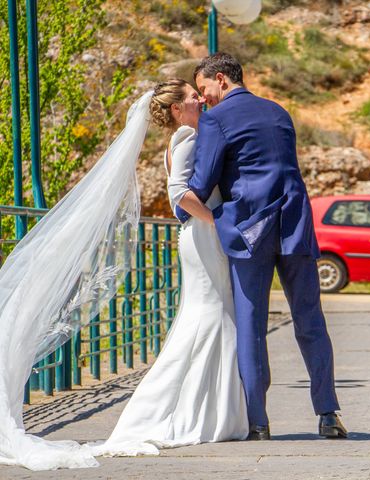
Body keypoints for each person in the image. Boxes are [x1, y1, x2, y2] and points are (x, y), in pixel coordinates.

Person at [175, 52, 347, 440]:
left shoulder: (216, 120)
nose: (203, 99)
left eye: (204, 90)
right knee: (311, 321)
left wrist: (181, 208)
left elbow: (201, 184)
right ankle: (328, 414)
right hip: (295, 225)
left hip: (249, 233)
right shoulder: (278, 111)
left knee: (251, 327)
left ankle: (259, 422)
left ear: (221, 79)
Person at [91, 79, 249, 457]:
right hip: (202, 235)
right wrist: (215, 221)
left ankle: (211, 413)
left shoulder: (186, 136)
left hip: (197, 236)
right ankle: (190, 414)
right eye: (194, 97)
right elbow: (179, 192)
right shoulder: (188, 139)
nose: (201, 99)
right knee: (212, 315)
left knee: (210, 316)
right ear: (178, 108)